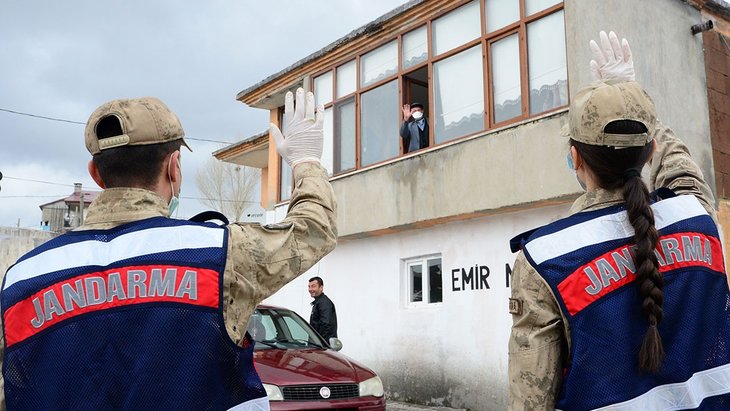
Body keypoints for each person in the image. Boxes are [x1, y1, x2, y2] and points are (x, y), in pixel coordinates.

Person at [0, 88, 337, 410]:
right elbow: (313, 231)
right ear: (174, 166)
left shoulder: (20, 279)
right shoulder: (222, 254)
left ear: (96, 174)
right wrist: (305, 161)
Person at [508, 32, 730, 410]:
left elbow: (530, 401)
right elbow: (682, 170)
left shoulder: (544, 261)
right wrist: (635, 102)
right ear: (652, 150)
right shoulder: (699, 217)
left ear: (575, 159)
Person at [308, 276, 337, 341]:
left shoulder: (324, 303)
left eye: (313, 286)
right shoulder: (319, 302)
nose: (310, 289)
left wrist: (319, 342)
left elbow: (326, 325)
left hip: (324, 346)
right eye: (309, 286)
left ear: (321, 288)